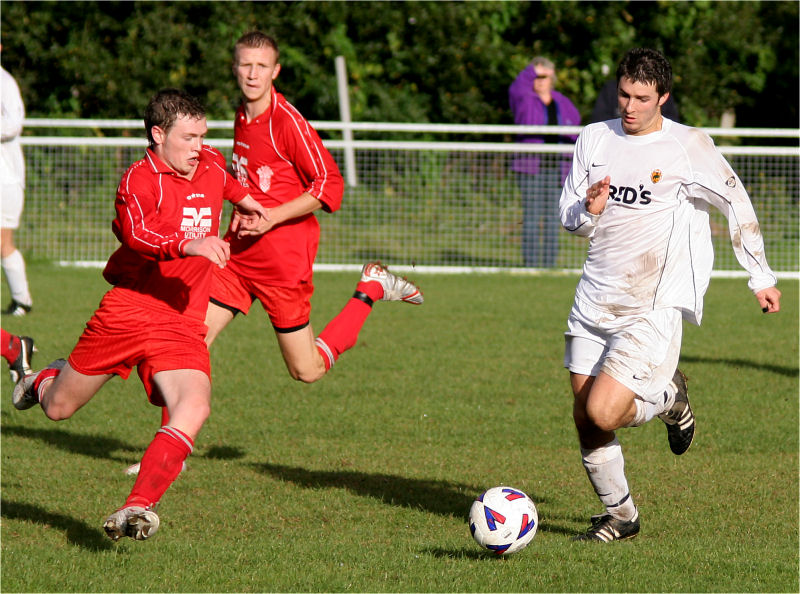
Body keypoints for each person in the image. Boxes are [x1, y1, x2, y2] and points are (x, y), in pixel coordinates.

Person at [12, 89, 268, 542]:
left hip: (184, 315)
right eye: (188, 137)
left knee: (195, 405)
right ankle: (39, 377)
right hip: (129, 311)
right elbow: (138, 234)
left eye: (203, 136)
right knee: (57, 409)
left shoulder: (207, 161)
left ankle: (138, 505)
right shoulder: (137, 180)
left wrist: (249, 205)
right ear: (157, 134)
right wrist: (190, 243)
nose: (199, 145)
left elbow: (225, 182)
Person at [559, 48, 781, 542]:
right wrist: (589, 209)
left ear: (663, 96)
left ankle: (666, 396)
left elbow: (734, 200)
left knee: (604, 410)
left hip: (651, 304)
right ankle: (622, 517)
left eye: (641, 98)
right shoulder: (593, 138)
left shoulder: (687, 146)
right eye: (623, 94)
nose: (629, 107)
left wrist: (759, 275)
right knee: (585, 419)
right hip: (594, 299)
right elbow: (569, 216)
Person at [509, 56, 580, 268]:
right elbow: (515, 89)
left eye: (544, 77)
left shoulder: (562, 102)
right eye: (536, 77)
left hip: (557, 168)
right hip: (531, 167)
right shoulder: (524, 100)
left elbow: (575, 126)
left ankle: (549, 265)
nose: (540, 81)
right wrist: (531, 70)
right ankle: (530, 266)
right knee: (531, 217)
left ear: (552, 79)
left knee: (552, 218)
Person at [1, 58, 33, 316]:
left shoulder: (5, 82)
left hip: (6, 180)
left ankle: (21, 301)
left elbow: (13, 124)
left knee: (3, 242)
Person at [590, 77, 680, 123]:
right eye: (625, 96)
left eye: (642, 99)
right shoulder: (610, 89)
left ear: (662, 98)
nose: (629, 108)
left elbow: (672, 119)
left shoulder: (658, 89)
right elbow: (599, 119)